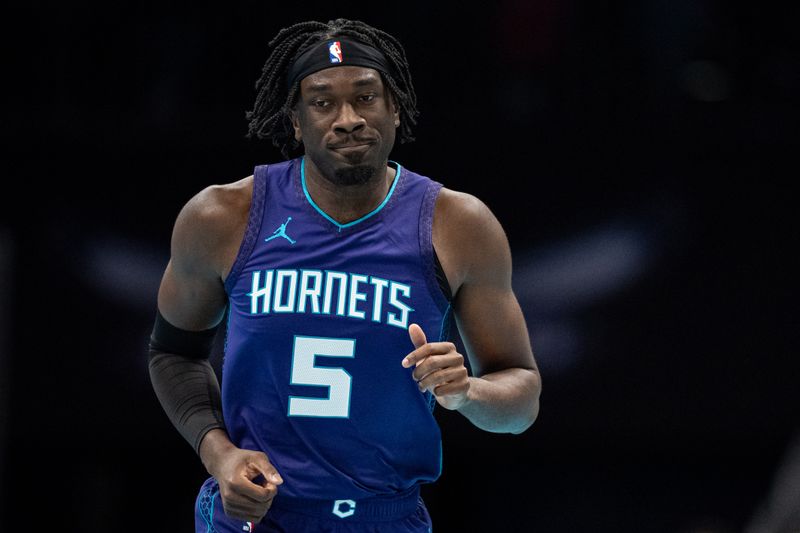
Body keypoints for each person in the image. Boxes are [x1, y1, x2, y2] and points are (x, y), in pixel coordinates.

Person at [148, 18, 541, 533]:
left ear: (395, 108)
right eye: (322, 102)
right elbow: (172, 352)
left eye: (365, 97)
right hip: (256, 516)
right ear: (295, 120)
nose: (348, 118)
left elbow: (523, 399)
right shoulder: (222, 216)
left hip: (386, 516)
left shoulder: (458, 225)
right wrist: (219, 454)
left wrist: (467, 392)